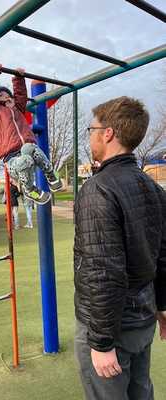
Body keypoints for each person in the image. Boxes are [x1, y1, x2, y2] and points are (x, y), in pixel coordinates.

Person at [74, 96, 166, 400]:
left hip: (113, 327)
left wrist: (100, 343)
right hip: (143, 318)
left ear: (109, 133)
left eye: (92, 129)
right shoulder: (153, 187)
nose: (90, 135)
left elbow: (103, 271)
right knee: (142, 392)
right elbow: (163, 255)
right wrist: (162, 307)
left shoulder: (97, 189)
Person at [0, 63, 62, 205]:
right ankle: (29, 190)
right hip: (12, 160)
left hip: (28, 152)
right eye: (0, 94)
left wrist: (18, 78)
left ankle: (50, 174)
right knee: (25, 160)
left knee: (30, 147)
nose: (4, 95)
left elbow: (21, 95)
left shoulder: (17, 108)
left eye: (6, 93)